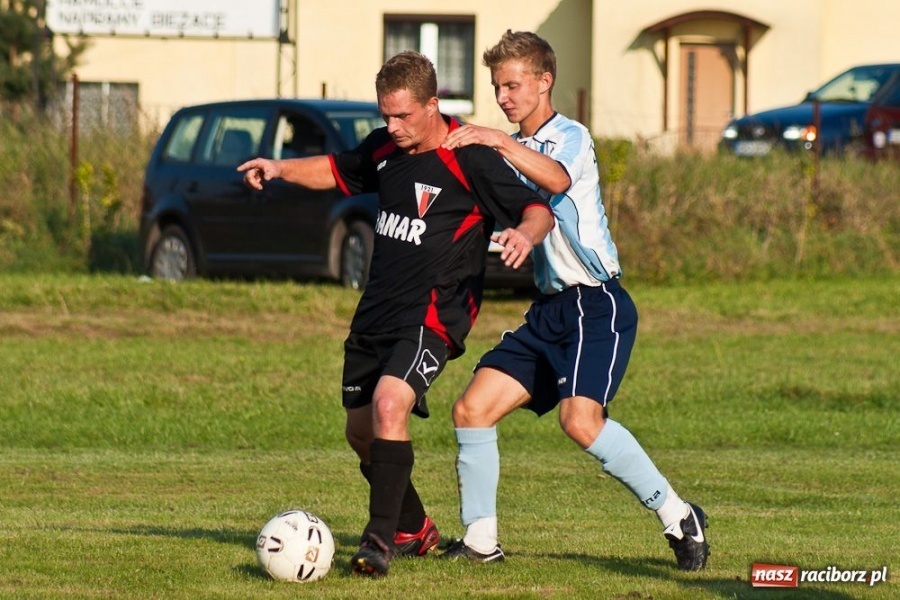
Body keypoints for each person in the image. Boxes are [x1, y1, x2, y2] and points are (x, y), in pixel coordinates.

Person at [239, 50, 553, 578]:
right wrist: (279, 168)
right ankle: (413, 526)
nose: (393, 126)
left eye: (403, 115)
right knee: (361, 433)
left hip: (434, 314)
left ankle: (378, 543)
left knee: (390, 406)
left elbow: (537, 207)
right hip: (375, 313)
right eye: (386, 114)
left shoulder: (469, 155)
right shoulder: (386, 147)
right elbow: (338, 170)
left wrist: (525, 233)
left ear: (433, 104)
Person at [438, 30, 709, 571]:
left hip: (595, 304)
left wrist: (493, 140)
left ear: (545, 81)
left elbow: (555, 179)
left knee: (580, 421)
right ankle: (480, 540)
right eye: (496, 87)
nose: (503, 97)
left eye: (513, 85)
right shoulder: (507, 147)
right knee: (471, 408)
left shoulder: (571, 136)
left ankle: (678, 515)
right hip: (548, 310)